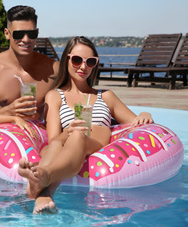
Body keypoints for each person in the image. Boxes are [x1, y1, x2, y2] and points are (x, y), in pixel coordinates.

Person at [18, 36, 153, 214]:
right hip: (67, 142)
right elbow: (54, 140)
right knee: (64, 140)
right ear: (66, 59)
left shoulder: (106, 96)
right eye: (76, 60)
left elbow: (135, 122)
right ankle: (44, 194)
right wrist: (68, 132)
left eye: (90, 62)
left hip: (95, 141)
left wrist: (145, 114)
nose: (83, 67)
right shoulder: (55, 96)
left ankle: (43, 176)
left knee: (79, 135)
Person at [0, 5, 60, 130]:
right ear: (7, 34)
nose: (26, 39)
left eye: (31, 33)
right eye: (19, 34)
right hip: (0, 139)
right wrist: (8, 111)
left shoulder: (53, 69)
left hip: (36, 138)